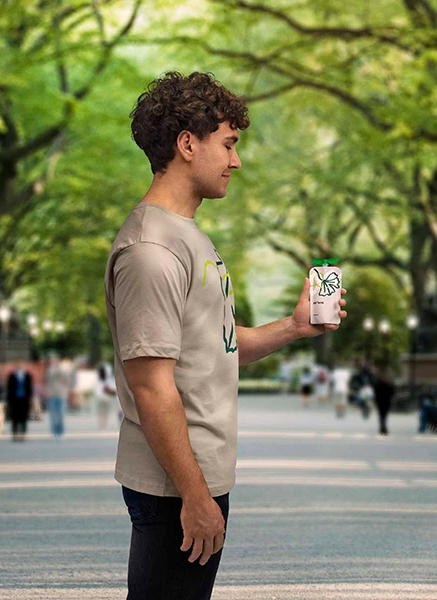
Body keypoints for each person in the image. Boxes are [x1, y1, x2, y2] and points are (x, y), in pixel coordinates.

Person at [105, 72, 348, 600]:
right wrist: (194, 496)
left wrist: (294, 327)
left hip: (196, 477)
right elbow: (151, 386)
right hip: (175, 485)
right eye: (229, 144)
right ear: (187, 144)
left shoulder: (188, 237)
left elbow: (215, 343)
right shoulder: (151, 251)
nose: (236, 161)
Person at [6, 359, 33, 442]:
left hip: (24, 399)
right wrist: (9, 399)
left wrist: (30, 398)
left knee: (23, 417)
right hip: (14, 399)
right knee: (15, 417)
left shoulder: (27, 376)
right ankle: (15, 433)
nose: (19, 366)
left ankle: (22, 433)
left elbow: (30, 388)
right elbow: (9, 388)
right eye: (18, 365)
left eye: (21, 365)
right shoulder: (12, 376)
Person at [45, 356, 72, 439]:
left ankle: (60, 432)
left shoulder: (64, 371)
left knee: (60, 414)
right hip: (52, 395)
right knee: (53, 415)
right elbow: (47, 381)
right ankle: (54, 432)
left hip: (61, 395)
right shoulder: (50, 371)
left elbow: (67, 381)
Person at [373, 368, 396, 436]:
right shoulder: (379, 385)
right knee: (382, 416)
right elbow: (376, 394)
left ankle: (383, 428)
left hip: (385, 402)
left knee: (383, 416)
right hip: (382, 402)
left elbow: (392, 393)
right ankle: (383, 428)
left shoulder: (385, 385)